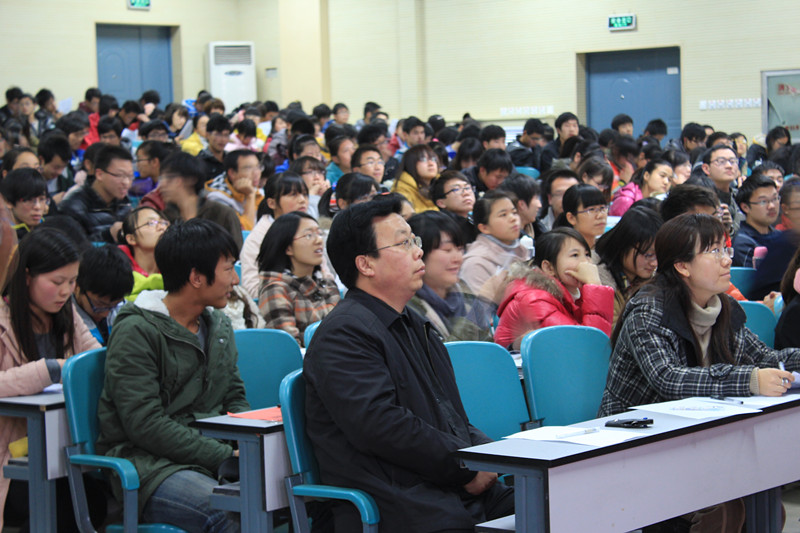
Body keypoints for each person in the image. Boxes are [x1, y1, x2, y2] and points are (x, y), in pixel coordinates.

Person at [303, 196, 514, 531]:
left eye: (414, 241)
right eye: (404, 243)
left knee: (558, 500)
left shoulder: (412, 323)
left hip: (450, 490)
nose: (418, 251)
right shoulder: (344, 334)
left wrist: (489, 456)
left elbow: (449, 416)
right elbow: (383, 428)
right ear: (366, 265)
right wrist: (466, 465)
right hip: (403, 504)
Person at [96, 219, 249, 532]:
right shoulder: (137, 331)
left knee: (287, 496)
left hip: (212, 456)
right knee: (232, 514)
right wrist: (225, 455)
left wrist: (249, 446)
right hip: (152, 466)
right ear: (196, 277)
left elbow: (234, 395)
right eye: (228, 269)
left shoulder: (218, 325)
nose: (235, 279)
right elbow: (145, 424)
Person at [600, 213, 800, 417]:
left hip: (698, 421)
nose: (726, 260)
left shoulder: (723, 305)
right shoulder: (649, 310)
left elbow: (763, 357)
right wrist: (750, 380)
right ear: (682, 266)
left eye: (725, 250)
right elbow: (668, 378)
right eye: (714, 251)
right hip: (633, 427)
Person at [0, 228, 103, 532]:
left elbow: (94, 359)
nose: (65, 292)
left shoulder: (67, 313)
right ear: (27, 276)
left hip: (62, 444)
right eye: (57, 282)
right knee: (58, 509)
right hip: (13, 450)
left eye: (72, 282)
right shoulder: (4, 320)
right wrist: (50, 369)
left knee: (93, 503)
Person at [494, 227, 614, 350]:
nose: (585, 262)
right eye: (575, 255)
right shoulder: (533, 299)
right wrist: (595, 285)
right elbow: (585, 346)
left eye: (587, 254)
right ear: (549, 268)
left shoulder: (577, 292)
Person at [407, 211, 496, 342]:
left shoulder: (461, 289)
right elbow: (445, 353)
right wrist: (481, 304)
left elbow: (486, 346)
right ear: (419, 253)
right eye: (447, 250)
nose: (458, 258)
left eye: (460, 249)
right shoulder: (409, 306)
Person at [257, 212, 339, 345]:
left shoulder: (327, 283)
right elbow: (288, 347)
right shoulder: (275, 289)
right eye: (309, 235)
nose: (319, 240)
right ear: (288, 248)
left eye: (319, 234)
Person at [240, 172, 310, 298]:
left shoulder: (311, 231)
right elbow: (252, 289)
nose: (302, 200)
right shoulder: (257, 239)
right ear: (272, 203)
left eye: (305, 194)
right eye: (293, 194)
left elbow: (325, 276)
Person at [596, 206, 663, 325]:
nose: (655, 263)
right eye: (648, 254)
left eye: (659, 255)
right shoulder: (601, 282)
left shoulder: (646, 280)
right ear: (623, 246)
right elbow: (611, 331)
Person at [59, 144, 133, 242]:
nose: (126, 182)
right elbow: (70, 246)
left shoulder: (124, 203)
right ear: (99, 174)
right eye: (120, 175)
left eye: (130, 176)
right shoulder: (73, 207)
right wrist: (108, 236)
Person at [460, 190, 529, 294]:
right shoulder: (475, 264)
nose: (513, 218)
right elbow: (480, 304)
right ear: (484, 228)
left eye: (514, 212)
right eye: (503, 215)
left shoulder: (522, 249)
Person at [73, 245, 133, 344]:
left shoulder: (125, 311)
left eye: (114, 305)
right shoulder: (66, 320)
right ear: (76, 287)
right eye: (100, 304)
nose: (106, 313)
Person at [118, 206, 169, 300]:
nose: (162, 227)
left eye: (163, 223)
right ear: (132, 239)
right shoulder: (117, 271)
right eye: (151, 223)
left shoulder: (175, 269)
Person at [205, 149, 264, 230]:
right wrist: (250, 196)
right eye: (248, 168)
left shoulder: (257, 190)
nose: (256, 173)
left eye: (258, 167)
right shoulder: (217, 198)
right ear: (232, 173)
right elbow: (245, 231)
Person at [732, 174, 779, 267]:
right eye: (763, 201)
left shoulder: (781, 236)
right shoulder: (743, 243)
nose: (772, 206)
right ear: (745, 207)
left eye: (775, 199)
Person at [554, 183, 608, 251]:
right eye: (591, 209)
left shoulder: (606, 248)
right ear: (571, 218)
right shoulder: (562, 251)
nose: (600, 215)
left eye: (602, 208)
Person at [0, 167, 50, 239]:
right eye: (29, 200)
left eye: (42, 199)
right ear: (8, 202)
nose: (38, 207)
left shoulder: (51, 228)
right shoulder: (4, 238)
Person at [391, 143, 441, 212]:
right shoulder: (402, 188)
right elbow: (406, 213)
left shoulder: (442, 183)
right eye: (423, 159)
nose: (431, 164)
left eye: (433, 159)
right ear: (411, 163)